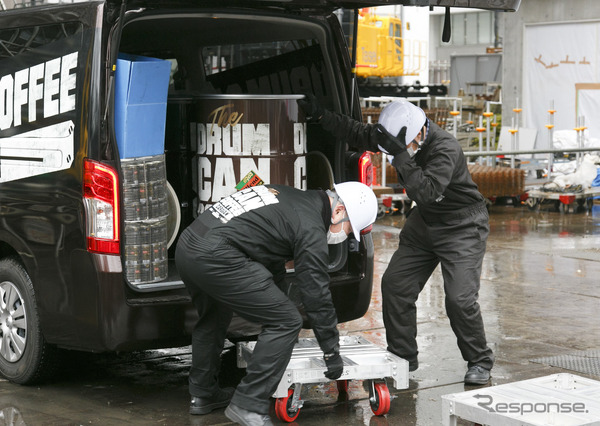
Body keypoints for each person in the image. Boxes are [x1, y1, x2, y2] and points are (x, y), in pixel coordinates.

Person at [298, 95, 494, 385]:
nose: (392, 149)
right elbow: (354, 131)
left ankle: (479, 360)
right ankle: (403, 357)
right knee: (395, 286)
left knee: (459, 300)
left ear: (418, 132)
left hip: (462, 226)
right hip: (425, 222)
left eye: (401, 144)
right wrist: (319, 114)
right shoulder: (395, 136)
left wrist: (400, 154)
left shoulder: (445, 148)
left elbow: (425, 192)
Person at [175, 182, 377, 425]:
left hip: (189, 247)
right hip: (217, 255)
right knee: (287, 322)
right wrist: (331, 351)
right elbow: (316, 295)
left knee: (214, 317)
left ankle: (203, 394)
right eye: (347, 230)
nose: (343, 237)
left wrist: (277, 301)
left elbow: (270, 255)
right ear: (338, 211)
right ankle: (248, 404)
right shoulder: (311, 227)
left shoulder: (289, 197)